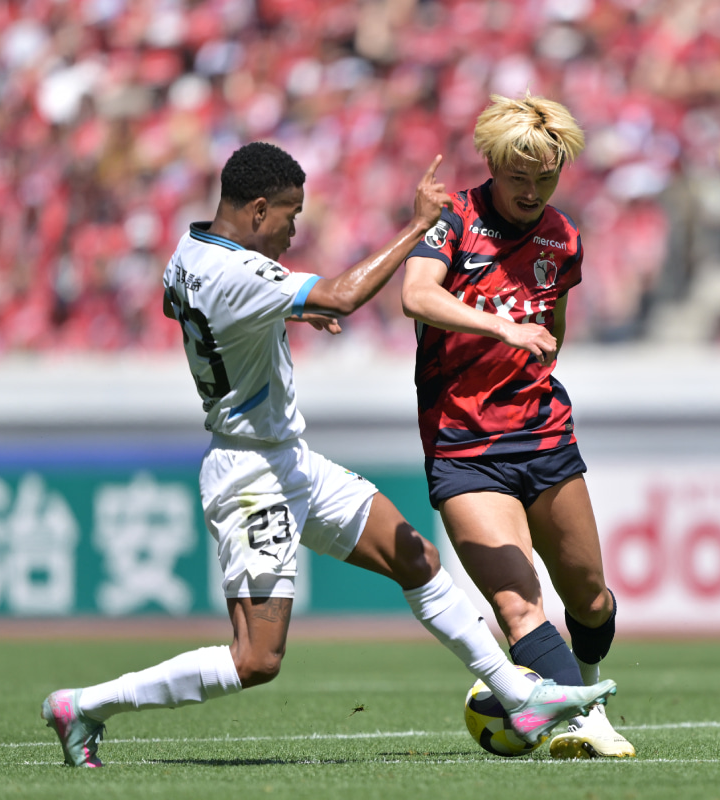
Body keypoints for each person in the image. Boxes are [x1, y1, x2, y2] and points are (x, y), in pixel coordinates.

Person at [39, 142, 615, 768]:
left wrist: (278, 314)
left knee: (414, 557)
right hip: (250, 474)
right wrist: (417, 227)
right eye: (291, 216)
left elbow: (189, 307)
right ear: (259, 210)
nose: (293, 232)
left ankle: (518, 693)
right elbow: (341, 296)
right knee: (256, 659)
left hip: (290, 459)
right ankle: (85, 705)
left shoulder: (187, 252)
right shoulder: (239, 275)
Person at [401, 94, 635, 759]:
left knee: (590, 601)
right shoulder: (452, 221)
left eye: (545, 178)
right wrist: (501, 327)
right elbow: (416, 295)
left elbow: (553, 329)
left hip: (543, 435)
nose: (531, 192)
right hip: (463, 446)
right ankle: (587, 721)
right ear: (492, 166)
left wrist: (528, 350)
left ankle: (582, 684)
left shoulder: (563, 237)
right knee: (518, 604)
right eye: (517, 178)